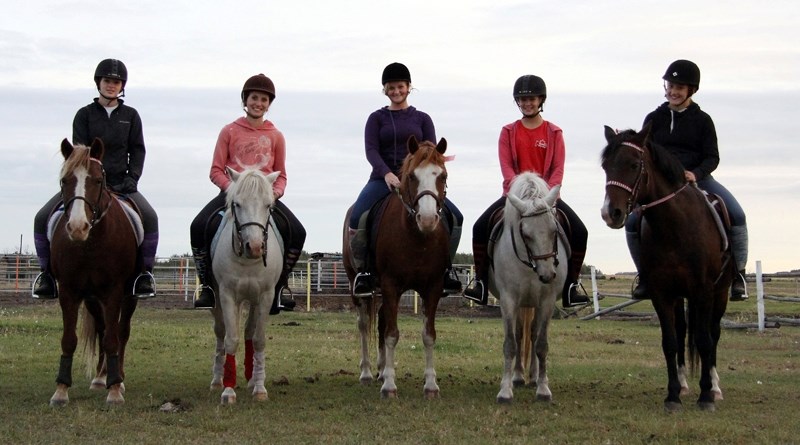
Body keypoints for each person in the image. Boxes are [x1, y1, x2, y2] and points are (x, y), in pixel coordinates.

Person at [32, 58, 158, 299]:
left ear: (122, 86)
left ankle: (144, 275)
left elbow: (138, 150)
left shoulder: (131, 116)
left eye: (116, 81)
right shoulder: (84, 115)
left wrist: (133, 178)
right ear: (98, 83)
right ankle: (46, 275)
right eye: (107, 80)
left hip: (122, 184)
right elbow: (79, 153)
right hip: (85, 186)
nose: (112, 85)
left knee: (150, 217)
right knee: (41, 218)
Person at [627, 59, 749, 301]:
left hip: (697, 180)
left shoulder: (703, 120)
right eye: (670, 86)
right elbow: (645, 153)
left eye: (679, 87)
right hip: (663, 185)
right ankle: (644, 275)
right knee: (632, 221)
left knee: (737, 215)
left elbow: (712, 157)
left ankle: (738, 275)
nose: (673, 91)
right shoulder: (654, 118)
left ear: (691, 90)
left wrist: (696, 173)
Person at [463, 74, 589, 307]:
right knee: (480, 226)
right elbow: (507, 168)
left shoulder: (554, 133)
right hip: (514, 198)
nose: (527, 103)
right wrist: (519, 193)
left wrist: (547, 196)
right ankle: (479, 282)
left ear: (541, 100)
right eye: (522, 100)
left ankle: (572, 285)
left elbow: (558, 169)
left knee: (580, 231)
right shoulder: (508, 132)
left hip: (548, 199)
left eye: (531, 99)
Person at [190, 73, 306, 313]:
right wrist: (233, 190)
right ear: (245, 99)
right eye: (254, 98)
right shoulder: (229, 131)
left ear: (269, 104)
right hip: (234, 195)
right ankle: (207, 287)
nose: (259, 103)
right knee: (198, 226)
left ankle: (280, 286)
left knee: (297, 231)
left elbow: (281, 173)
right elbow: (215, 170)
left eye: (264, 100)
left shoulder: (276, 136)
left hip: (263, 198)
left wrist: (275, 193)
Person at [347, 62, 463, 297]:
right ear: (385, 90)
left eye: (400, 86)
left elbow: (432, 154)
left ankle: (445, 270)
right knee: (359, 215)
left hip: (418, 181)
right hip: (382, 179)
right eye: (391, 87)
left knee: (455, 216)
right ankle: (364, 272)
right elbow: (371, 150)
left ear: (409, 87)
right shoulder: (376, 118)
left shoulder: (422, 119)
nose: (396, 91)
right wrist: (386, 174)